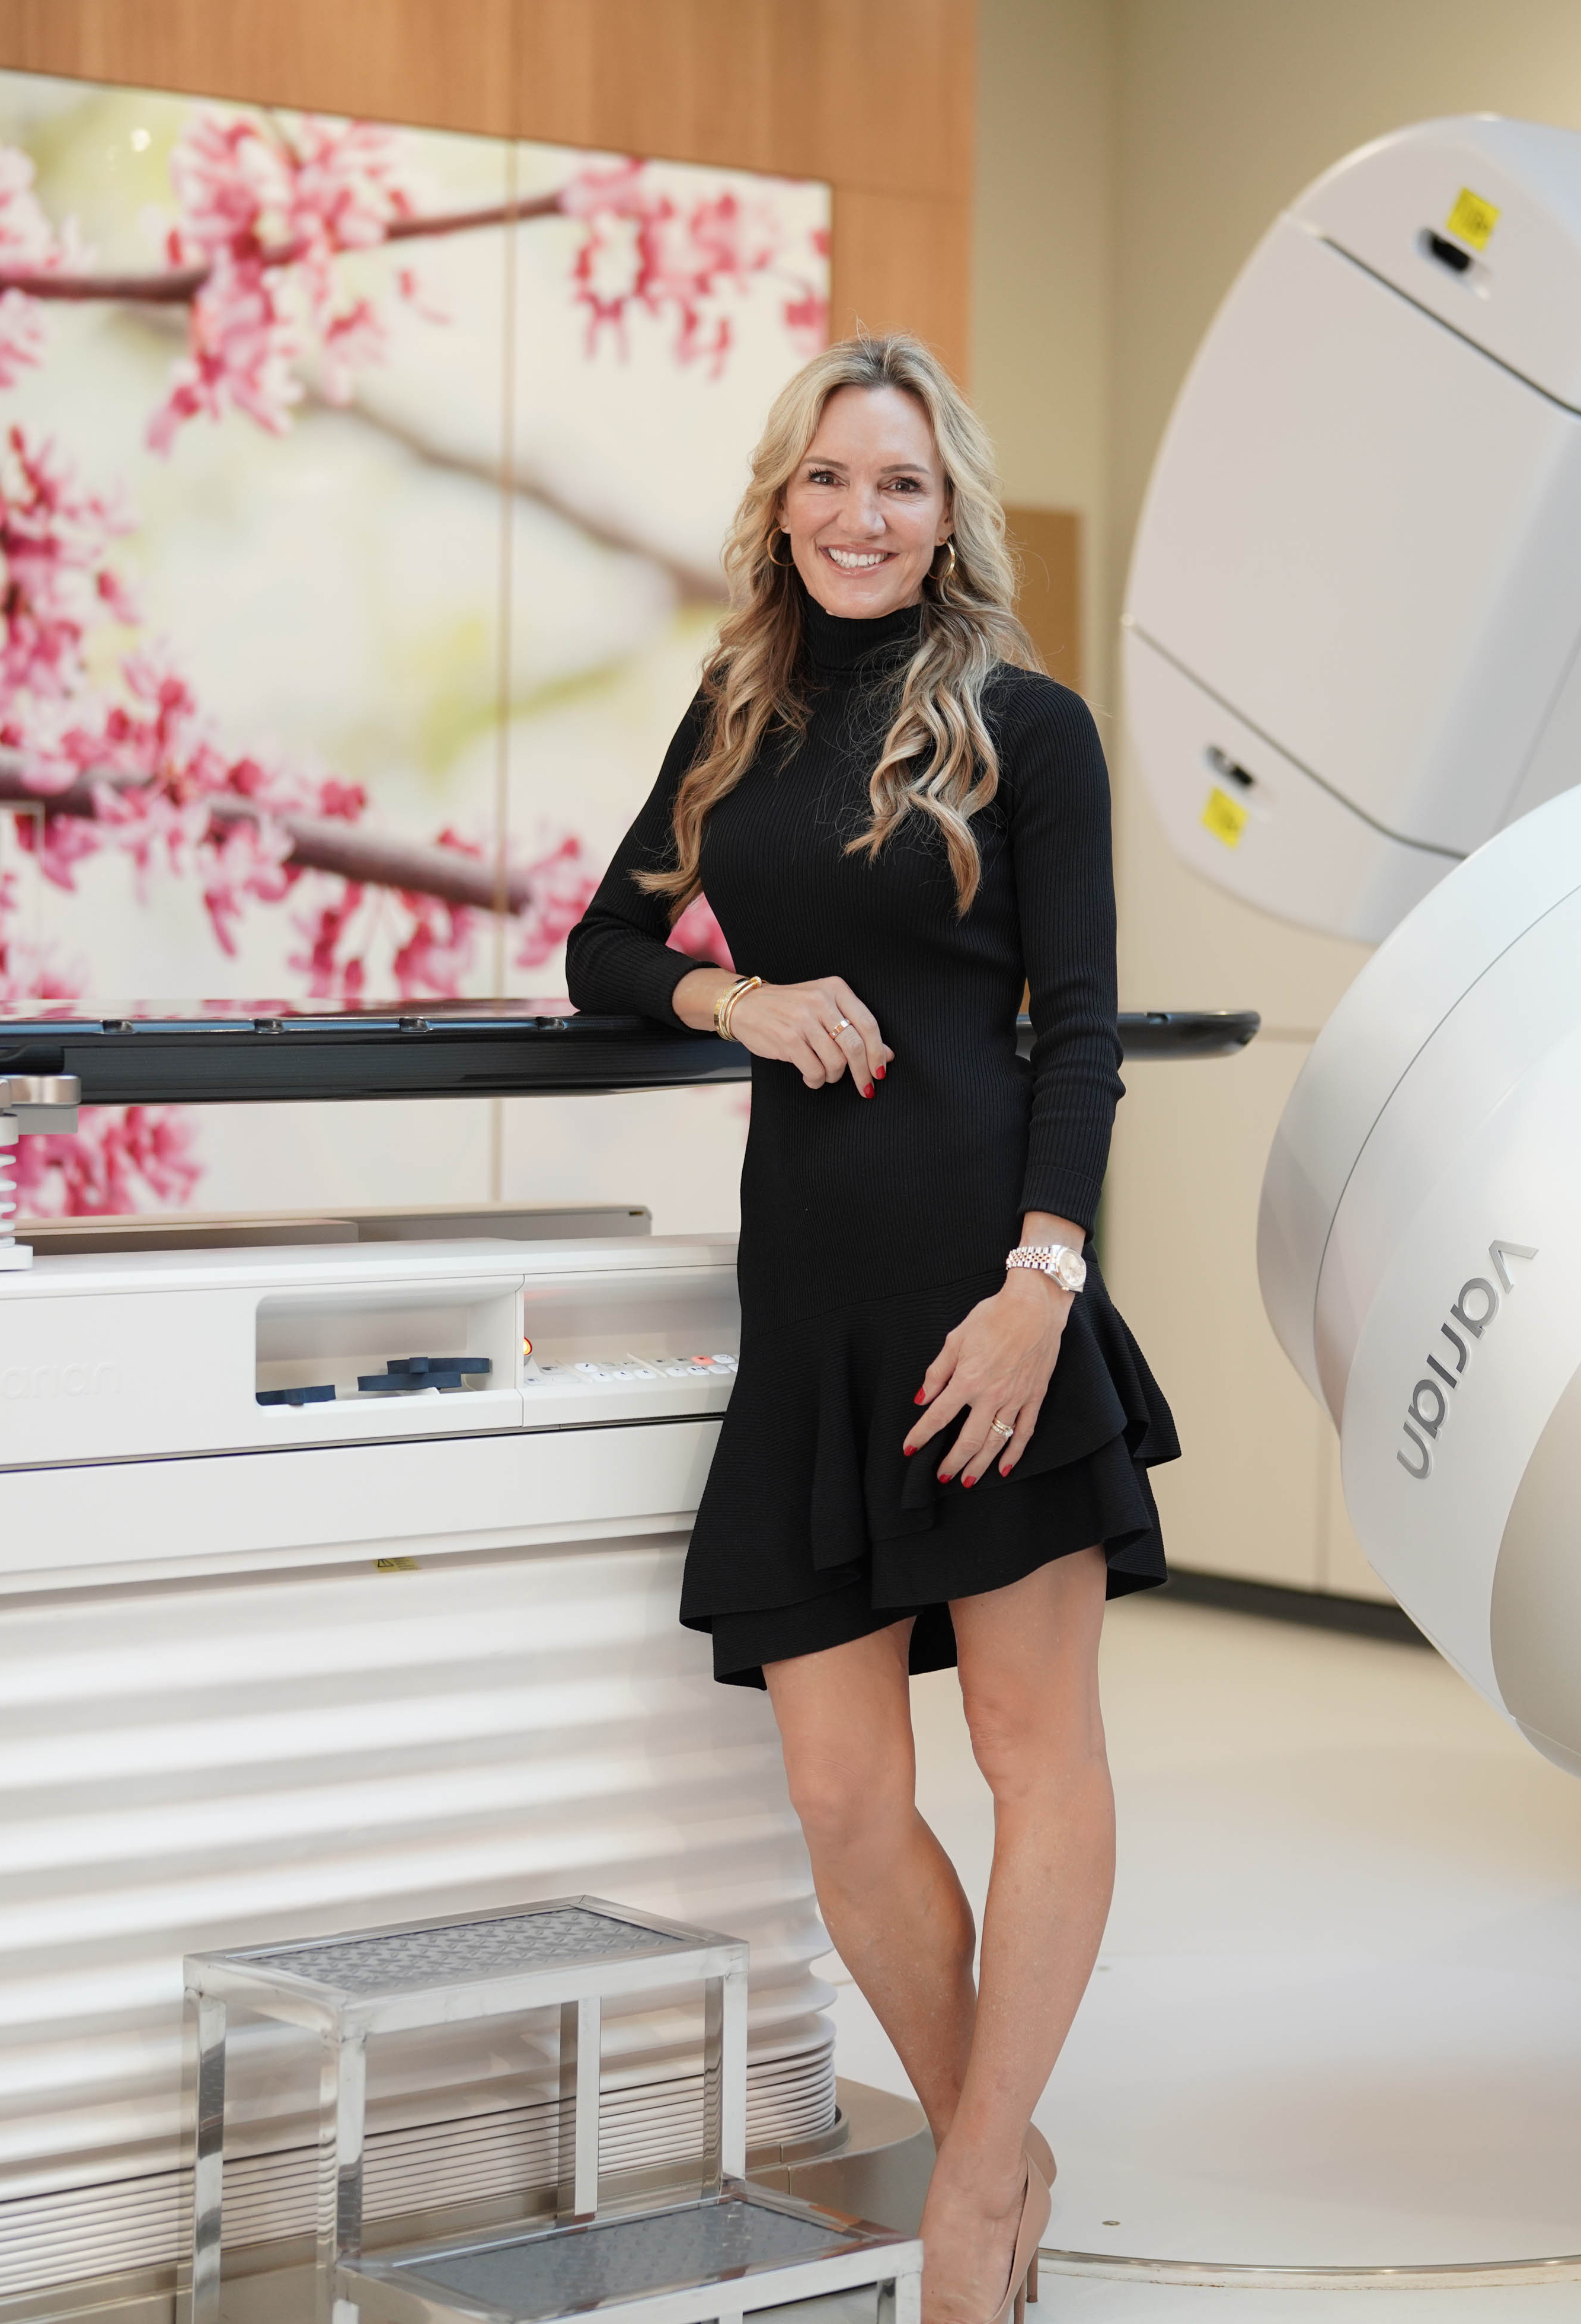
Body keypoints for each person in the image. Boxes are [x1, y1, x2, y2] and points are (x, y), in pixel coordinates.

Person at [566, 333, 1174, 2320]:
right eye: (828, 479)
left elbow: (1075, 1033)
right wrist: (731, 1001)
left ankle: (974, 2192)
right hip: (808, 1304)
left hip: (985, 1296)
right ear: (782, 501)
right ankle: (999, 2147)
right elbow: (603, 947)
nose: (859, 515)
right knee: (840, 1790)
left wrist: (1041, 1286)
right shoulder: (736, 713)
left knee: (1029, 1750)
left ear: (948, 511)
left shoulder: (1027, 723)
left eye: (899, 483)